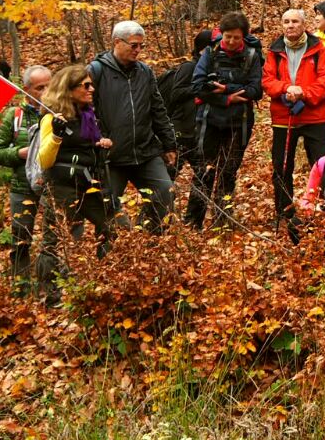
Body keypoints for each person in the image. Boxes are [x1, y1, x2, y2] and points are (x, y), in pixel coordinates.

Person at [32, 65, 114, 297]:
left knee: (112, 225)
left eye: (92, 84)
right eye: (85, 85)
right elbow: (44, 159)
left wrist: (101, 144)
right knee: (53, 240)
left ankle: (109, 279)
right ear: (69, 89)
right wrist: (57, 135)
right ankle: (50, 295)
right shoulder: (51, 117)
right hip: (61, 186)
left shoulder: (88, 115)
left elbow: (86, 145)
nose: (91, 89)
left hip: (89, 183)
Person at [89, 20, 177, 232]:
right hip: (112, 156)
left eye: (141, 46)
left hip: (145, 151)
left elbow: (158, 109)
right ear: (117, 42)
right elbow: (84, 112)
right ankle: (108, 254)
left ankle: (155, 245)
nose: (138, 50)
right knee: (106, 208)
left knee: (165, 193)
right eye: (134, 45)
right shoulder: (96, 71)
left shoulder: (145, 72)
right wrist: (97, 139)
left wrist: (169, 144)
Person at [186, 11, 264, 229]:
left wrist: (227, 88)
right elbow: (197, 87)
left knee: (228, 172)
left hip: (239, 123)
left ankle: (223, 222)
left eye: (236, 37)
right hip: (208, 121)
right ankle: (193, 223)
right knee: (204, 171)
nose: (230, 41)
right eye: (227, 36)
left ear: (243, 37)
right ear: (221, 34)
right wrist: (228, 98)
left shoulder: (251, 56)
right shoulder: (209, 54)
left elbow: (256, 90)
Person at [263, 7, 325, 236]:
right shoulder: (274, 50)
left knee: (322, 163)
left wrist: (303, 93)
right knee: (281, 166)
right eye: (286, 21)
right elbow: (267, 80)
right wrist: (286, 89)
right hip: (284, 116)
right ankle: (284, 212)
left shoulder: (318, 49)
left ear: (304, 25)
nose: (290, 25)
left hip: (314, 115)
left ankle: (324, 207)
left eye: (295, 21)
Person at [0, 64, 51, 284]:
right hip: (22, 186)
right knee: (21, 238)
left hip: (52, 187)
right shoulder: (14, 116)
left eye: (49, 86)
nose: (45, 92)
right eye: (39, 87)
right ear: (27, 89)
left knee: (53, 238)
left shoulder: (58, 113)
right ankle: (21, 285)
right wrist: (19, 153)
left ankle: (50, 284)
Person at [157, 29, 215, 182]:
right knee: (167, 179)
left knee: (205, 178)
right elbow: (176, 93)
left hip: (199, 134)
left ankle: (195, 207)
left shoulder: (211, 70)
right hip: (181, 133)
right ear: (203, 48)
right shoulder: (189, 67)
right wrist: (201, 88)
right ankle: (154, 206)